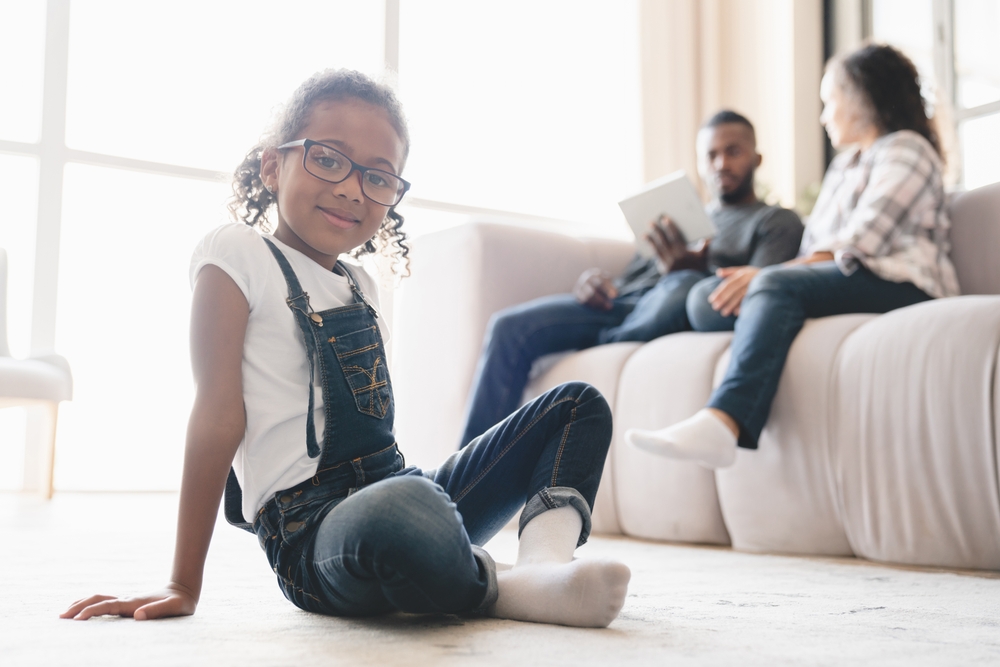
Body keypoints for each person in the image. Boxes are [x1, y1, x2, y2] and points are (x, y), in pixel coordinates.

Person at [61, 69, 630, 628]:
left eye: (378, 178)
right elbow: (216, 416)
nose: (351, 188)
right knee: (411, 511)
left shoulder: (365, 283)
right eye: (328, 159)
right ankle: (502, 588)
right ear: (271, 165)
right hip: (312, 534)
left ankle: (545, 570)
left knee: (577, 404)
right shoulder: (238, 254)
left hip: (396, 487)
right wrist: (183, 582)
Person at [626, 43, 961, 468]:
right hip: (847, 278)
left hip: (902, 283)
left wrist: (769, 277)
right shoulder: (843, 169)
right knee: (704, 299)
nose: (824, 116)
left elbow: (861, 243)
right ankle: (759, 320)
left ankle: (722, 423)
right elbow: (812, 252)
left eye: (829, 102)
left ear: (860, 99)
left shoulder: (906, 150)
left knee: (769, 283)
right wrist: (758, 278)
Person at [458, 111, 803, 448]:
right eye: (710, 155)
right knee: (509, 326)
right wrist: (595, 282)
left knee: (681, 288)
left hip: (676, 303)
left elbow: (755, 295)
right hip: (621, 306)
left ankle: (602, 338)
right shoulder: (681, 215)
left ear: (757, 158)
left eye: (733, 152)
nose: (720, 164)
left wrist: (690, 271)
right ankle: (464, 481)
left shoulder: (775, 220)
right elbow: (631, 278)